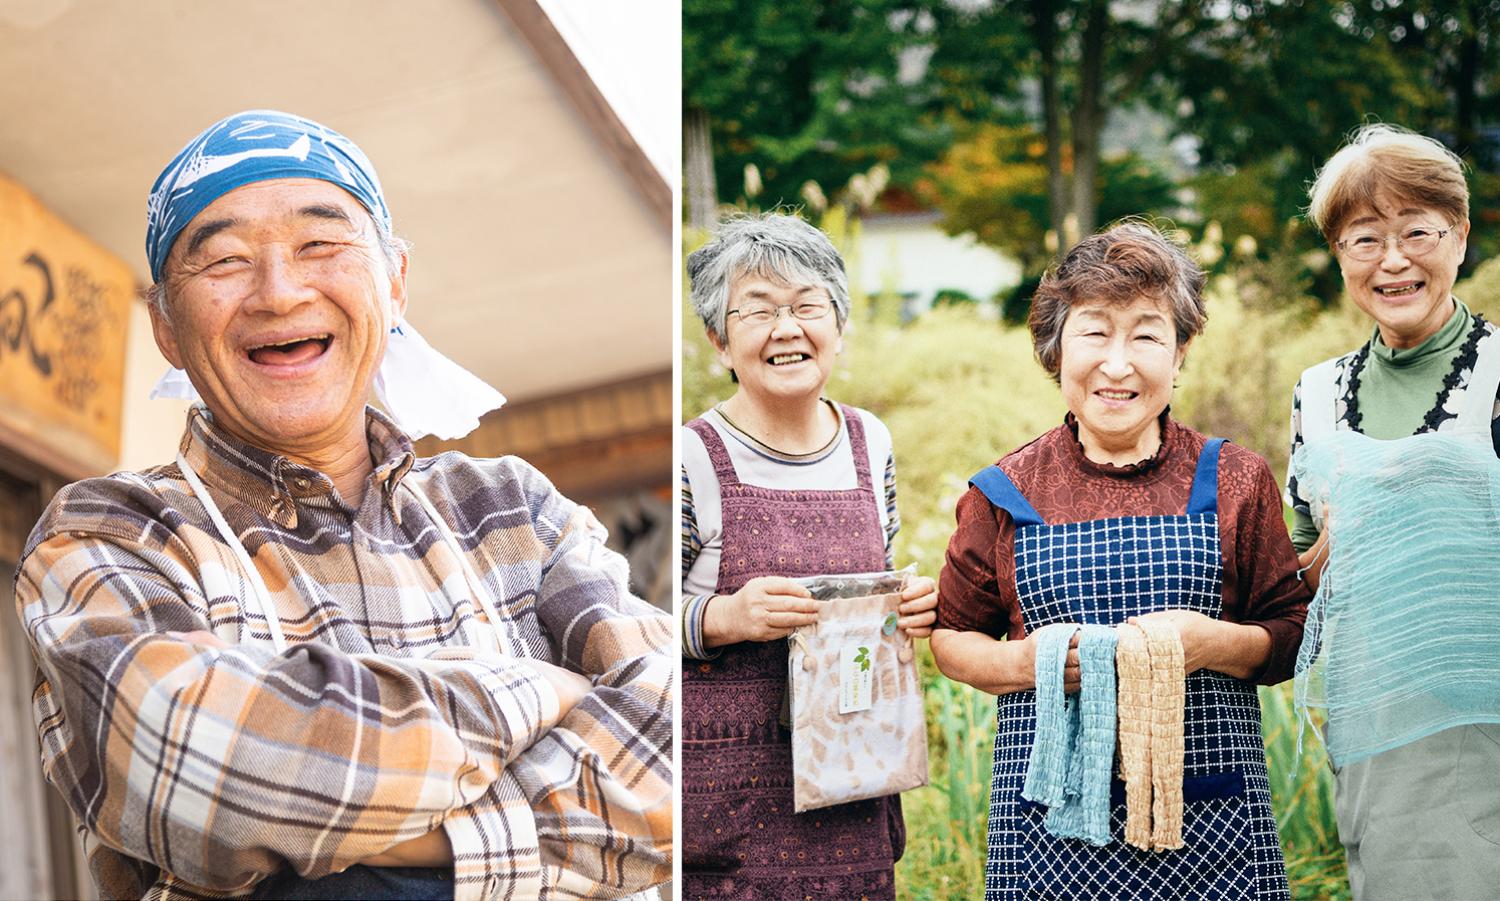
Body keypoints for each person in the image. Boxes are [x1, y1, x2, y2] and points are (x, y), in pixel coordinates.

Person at [13, 110, 671, 901]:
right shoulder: (111, 531)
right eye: (223, 259)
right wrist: (549, 692)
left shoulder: (512, 510)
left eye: (320, 245)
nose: (279, 290)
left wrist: (391, 853)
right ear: (165, 327)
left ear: (394, 282)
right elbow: (203, 768)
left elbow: (674, 760)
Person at [934, 222, 1308, 899]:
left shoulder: (1236, 480)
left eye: (1145, 333)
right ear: (1055, 346)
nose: (1117, 362)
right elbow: (951, 639)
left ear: (1181, 349)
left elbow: (1288, 636)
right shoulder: (1004, 491)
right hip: (1049, 838)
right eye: (1094, 332)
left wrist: (1207, 644)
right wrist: (1024, 661)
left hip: (1210, 827)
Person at [679, 213, 938, 900]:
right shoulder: (689, 457)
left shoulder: (869, 441)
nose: (786, 329)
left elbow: (877, 584)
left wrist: (908, 607)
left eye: (806, 306)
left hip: (854, 793)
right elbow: (625, 626)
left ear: (839, 325)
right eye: (758, 311)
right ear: (718, 339)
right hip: (725, 821)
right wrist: (723, 616)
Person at [1287, 123, 1500, 899]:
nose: (1394, 260)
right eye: (1364, 238)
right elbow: (1302, 572)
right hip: (1376, 729)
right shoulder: (1317, 395)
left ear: (1461, 235)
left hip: (1488, 723)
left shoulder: (1498, 374)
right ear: (1340, 254)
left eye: (1418, 232)